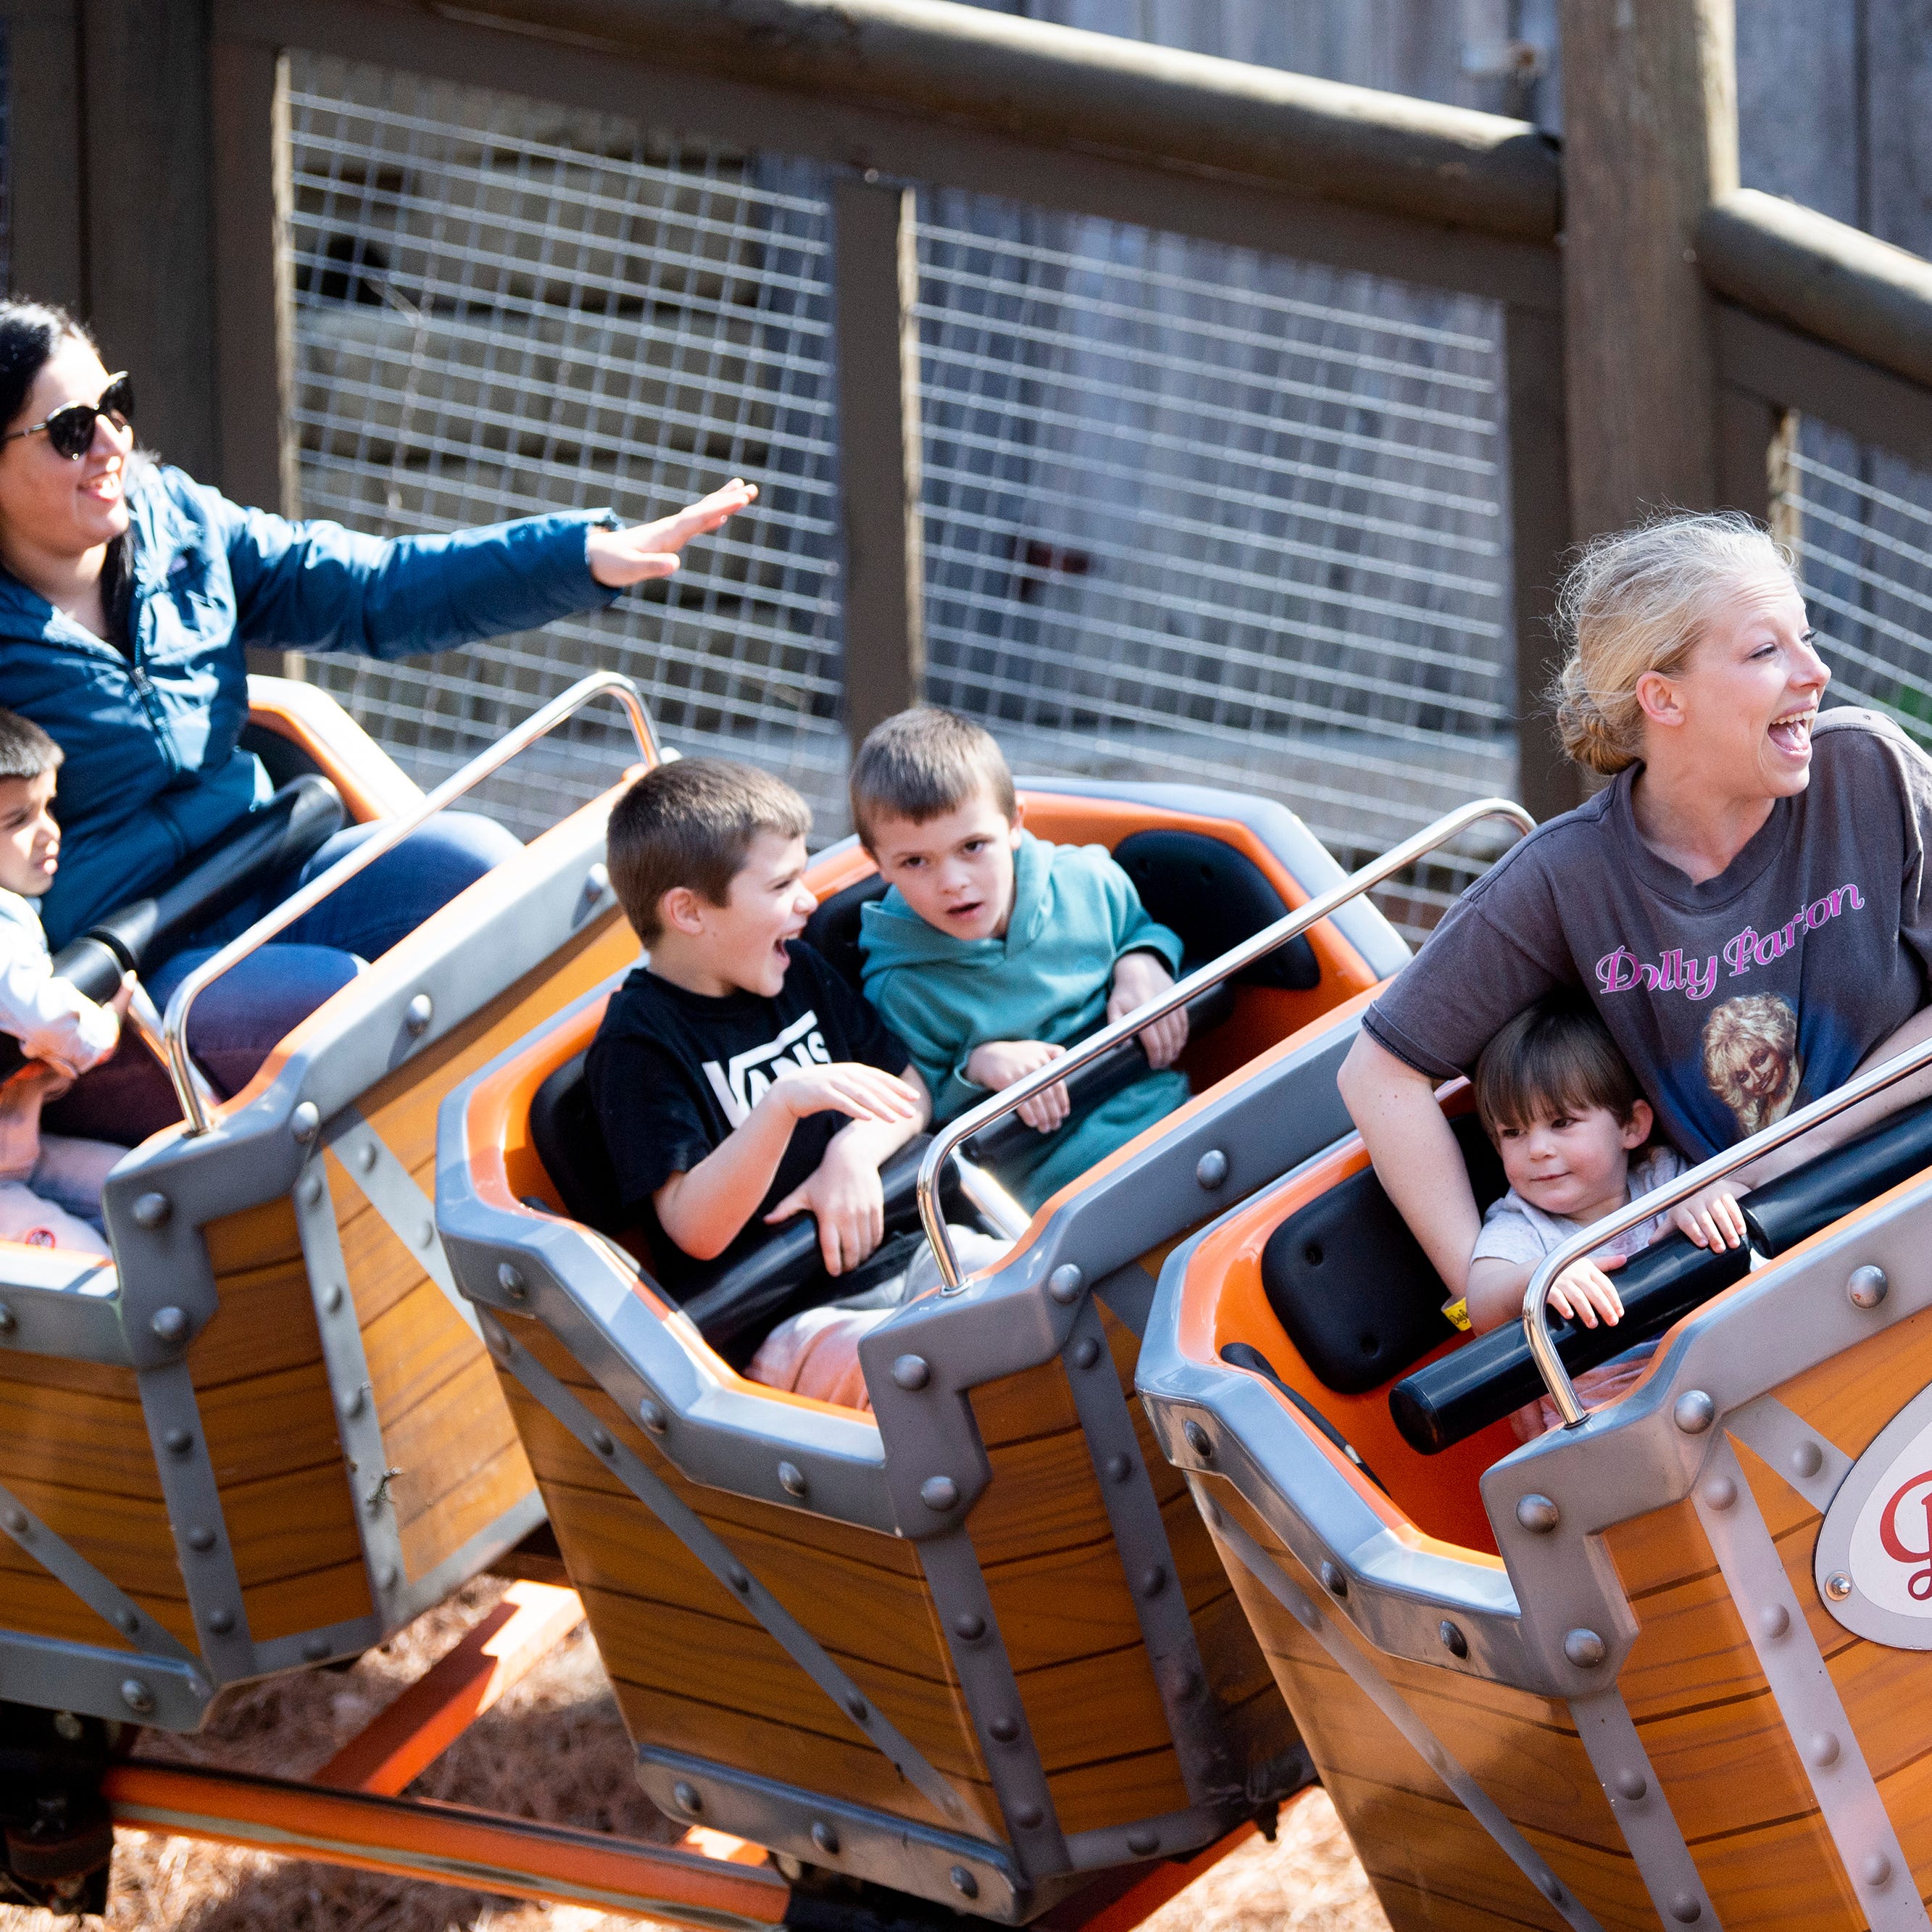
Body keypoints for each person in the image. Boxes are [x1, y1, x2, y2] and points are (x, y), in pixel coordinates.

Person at [0, 297, 755, 1138]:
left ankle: (665, 1139)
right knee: (342, 1002)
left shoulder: (178, 523)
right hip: (129, 960)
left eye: (116, 405)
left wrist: (581, 556)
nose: (111, 444)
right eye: (71, 429)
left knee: (480, 869)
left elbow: (373, 587)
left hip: (269, 856)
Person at [1337, 508, 1932, 1330]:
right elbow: (1378, 1075)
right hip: (1768, 1288)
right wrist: (1509, 1291)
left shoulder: (1868, 773)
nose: (1815, 671)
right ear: (1661, 697)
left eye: (1805, 637)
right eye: (1766, 651)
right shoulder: (1567, 877)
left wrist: (1781, 1155)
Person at [585, 759, 1004, 1402]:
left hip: (912, 1252)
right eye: (782, 885)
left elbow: (908, 1091)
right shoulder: (638, 1046)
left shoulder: (797, 969)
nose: (808, 902)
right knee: (924, 1379)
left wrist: (851, 1155)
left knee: (1025, 1295)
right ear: (690, 913)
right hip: (789, 1320)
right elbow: (696, 1228)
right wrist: (781, 1106)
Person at [853, 707, 1189, 1210]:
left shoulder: (1088, 881)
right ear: (878, 864)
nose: (952, 881)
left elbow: (1140, 929)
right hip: (1046, 1188)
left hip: (1165, 1118)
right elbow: (926, 1102)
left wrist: (1141, 959)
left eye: (972, 846)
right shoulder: (900, 986)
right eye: (915, 862)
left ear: (1013, 825)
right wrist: (980, 1065)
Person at [1460, 996, 1744, 1438]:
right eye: (1512, 1133)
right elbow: (1480, 1301)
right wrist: (1542, 1277)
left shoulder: (1665, 1180)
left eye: (1561, 1123)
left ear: (1631, 1126)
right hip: (1603, 1425)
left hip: (1718, 1381)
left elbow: (1745, 1198)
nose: (1536, 1149)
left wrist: (1712, 1197)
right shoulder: (1522, 1225)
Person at [0, 707, 134, 1253]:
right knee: (93, 1268)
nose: (48, 832)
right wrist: (101, 1029)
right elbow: (43, 1015)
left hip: (22, 1150)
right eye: (17, 821)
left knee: (143, 1185)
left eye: (48, 808)